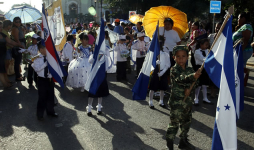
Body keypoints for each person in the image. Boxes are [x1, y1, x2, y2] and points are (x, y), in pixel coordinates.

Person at [166, 45, 201, 150]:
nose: (181, 59)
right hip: (177, 102)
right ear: (174, 58)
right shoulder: (174, 69)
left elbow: (196, 82)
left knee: (186, 122)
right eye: (178, 56)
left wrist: (192, 84)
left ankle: (183, 141)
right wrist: (192, 77)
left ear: (187, 57)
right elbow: (179, 79)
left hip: (188, 102)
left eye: (183, 56)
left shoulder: (190, 69)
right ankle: (170, 143)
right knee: (174, 123)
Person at [32, 39, 58, 121]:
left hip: (49, 80)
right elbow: (37, 69)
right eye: (46, 48)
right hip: (42, 80)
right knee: (42, 98)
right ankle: (40, 114)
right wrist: (46, 63)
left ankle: (50, 111)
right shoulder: (36, 58)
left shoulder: (50, 57)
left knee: (51, 96)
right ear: (41, 50)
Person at [86, 50, 110, 116]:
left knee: (101, 93)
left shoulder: (105, 57)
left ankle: (99, 107)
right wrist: (96, 56)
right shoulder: (93, 55)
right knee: (92, 93)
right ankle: (89, 108)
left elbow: (106, 68)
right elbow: (90, 61)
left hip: (101, 76)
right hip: (94, 76)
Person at [0, 22, 23, 89]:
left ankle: (6, 81)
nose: (1, 28)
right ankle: (4, 83)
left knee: (4, 68)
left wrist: (19, 45)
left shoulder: (2, 34)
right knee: (1, 69)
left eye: (1, 27)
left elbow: (10, 42)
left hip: (3, 54)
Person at [193, 39, 213, 105]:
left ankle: (205, 98)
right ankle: (196, 98)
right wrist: (210, 58)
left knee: (204, 84)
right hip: (199, 68)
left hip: (205, 68)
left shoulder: (207, 51)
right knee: (198, 85)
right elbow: (203, 59)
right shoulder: (197, 51)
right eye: (205, 44)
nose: (207, 46)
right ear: (201, 45)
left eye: (207, 45)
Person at [11, 17, 26, 81]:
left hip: (20, 45)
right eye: (16, 21)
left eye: (19, 21)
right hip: (17, 47)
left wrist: (24, 31)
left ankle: (18, 75)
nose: (18, 23)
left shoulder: (19, 28)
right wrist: (21, 46)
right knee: (17, 62)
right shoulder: (15, 29)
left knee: (18, 61)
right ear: (14, 22)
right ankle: (17, 76)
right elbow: (17, 39)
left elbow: (23, 37)